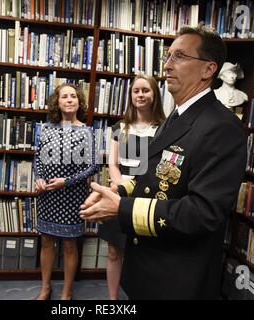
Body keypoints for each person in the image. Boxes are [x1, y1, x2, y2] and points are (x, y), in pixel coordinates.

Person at [80, 24, 247, 299]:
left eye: (179, 56)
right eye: (167, 57)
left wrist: (122, 208)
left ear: (208, 69)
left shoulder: (222, 127)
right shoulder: (176, 118)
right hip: (147, 267)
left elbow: (202, 213)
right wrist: (118, 190)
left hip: (176, 279)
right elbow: (154, 176)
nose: (168, 65)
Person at [98, 75, 165, 300]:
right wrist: (120, 185)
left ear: (154, 94)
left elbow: (160, 168)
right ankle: (112, 299)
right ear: (130, 95)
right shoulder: (120, 127)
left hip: (148, 199)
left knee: (143, 254)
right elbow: (113, 164)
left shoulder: (164, 129)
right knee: (114, 251)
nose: (140, 95)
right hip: (120, 195)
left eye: (145, 90)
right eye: (136, 91)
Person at [33, 83, 98, 300]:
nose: (69, 100)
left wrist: (67, 181)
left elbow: (92, 167)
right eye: (64, 97)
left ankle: (67, 291)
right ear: (57, 102)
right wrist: (39, 178)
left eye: (73, 96)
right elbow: (37, 158)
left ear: (79, 102)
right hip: (48, 195)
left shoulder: (87, 132)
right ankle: (45, 287)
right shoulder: (46, 129)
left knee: (70, 245)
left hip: (72, 196)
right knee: (46, 241)